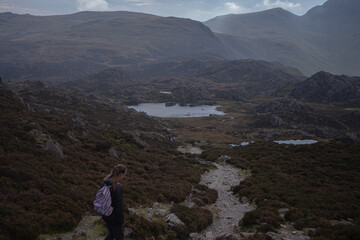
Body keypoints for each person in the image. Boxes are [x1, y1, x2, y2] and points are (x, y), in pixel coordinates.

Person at [102, 164, 127, 240]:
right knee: (119, 237)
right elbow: (118, 206)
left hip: (105, 214)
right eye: (124, 174)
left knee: (111, 234)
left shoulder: (105, 183)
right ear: (121, 174)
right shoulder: (117, 186)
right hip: (115, 217)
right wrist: (121, 221)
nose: (124, 177)